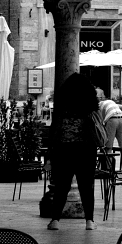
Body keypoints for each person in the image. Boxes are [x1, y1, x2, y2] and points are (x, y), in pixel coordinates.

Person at [42, 72, 101, 231]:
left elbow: (54, 131)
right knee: (86, 186)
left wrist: (50, 151)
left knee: (62, 186)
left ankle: (55, 220)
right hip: (85, 150)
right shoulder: (89, 108)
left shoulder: (62, 109)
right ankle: (89, 221)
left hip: (64, 150)